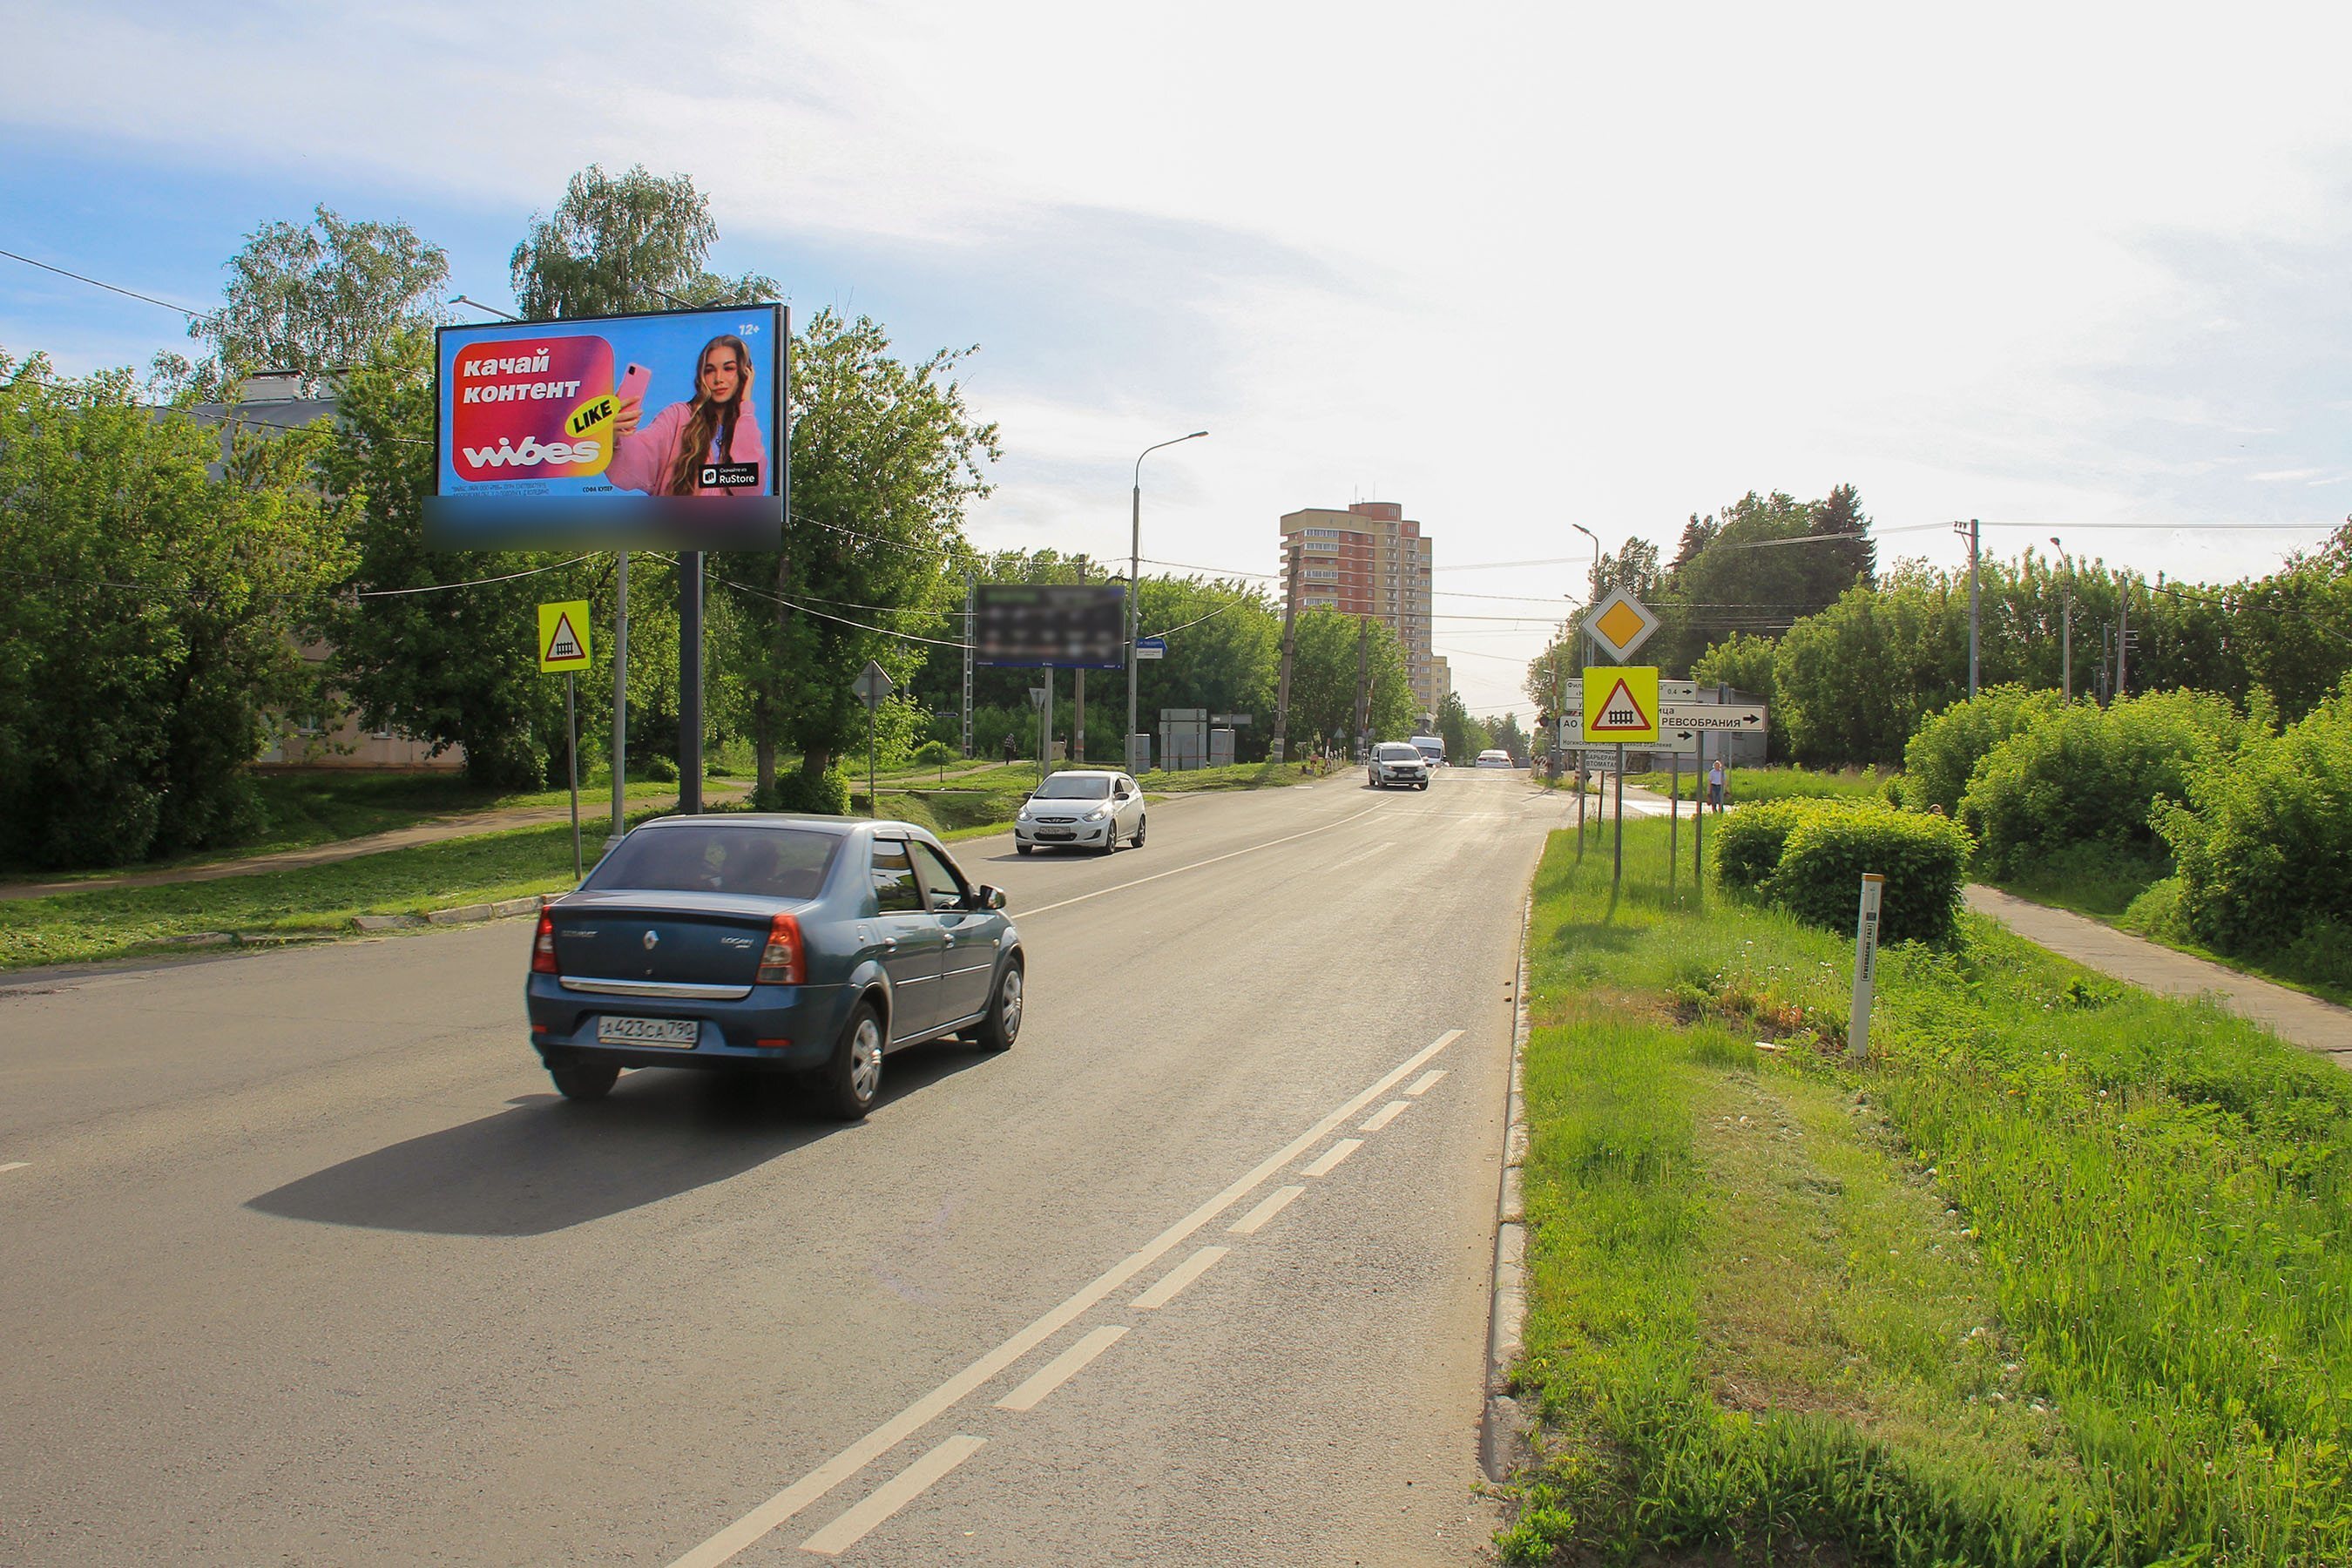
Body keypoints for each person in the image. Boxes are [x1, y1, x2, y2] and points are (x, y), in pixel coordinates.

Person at [606, 335, 767, 497]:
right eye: (710, 370)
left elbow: (751, 489)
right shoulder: (678, 417)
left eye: (728, 369)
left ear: (744, 373)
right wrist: (612, 437)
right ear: (701, 376)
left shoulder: (746, 425)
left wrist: (745, 406)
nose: (718, 379)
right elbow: (636, 459)